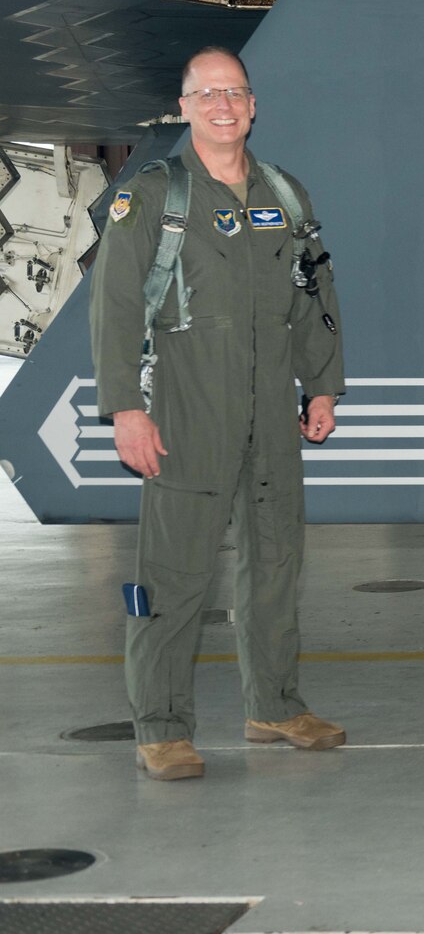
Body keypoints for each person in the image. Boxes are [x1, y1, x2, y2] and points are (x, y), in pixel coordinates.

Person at [91, 47, 347, 780]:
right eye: (207, 94)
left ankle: (274, 703)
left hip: (270, 411)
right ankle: (162, 726)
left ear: (253, 103)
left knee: (275, 563)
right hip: (183, 407)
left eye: (234, 92)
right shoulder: (151, 197)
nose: (223, 105)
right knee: (173, 574)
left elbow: (314, 295)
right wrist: (124, 410)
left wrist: (322, 385)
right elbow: (112, 308)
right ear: (184, 107)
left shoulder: (284, 195)